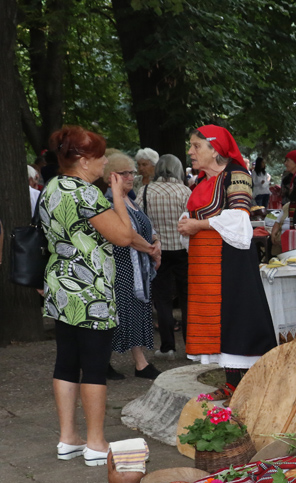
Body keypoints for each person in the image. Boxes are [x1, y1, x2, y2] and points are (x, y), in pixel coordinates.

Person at [40, 126, 135, 466]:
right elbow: (123, 236)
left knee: (66, 361)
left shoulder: (51, 187)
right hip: (91, 289)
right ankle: (96, 443)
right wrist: (119, 197)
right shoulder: (86, 194)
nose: (105, 162)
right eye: (99, 156)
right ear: (82, 160)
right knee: (94, 366)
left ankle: (68, 438)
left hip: (61, 286)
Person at [178, 125, 276, 399]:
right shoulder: (202, 181)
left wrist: (197, 225)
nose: (190, 152)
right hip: (206, 261)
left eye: (196, 146)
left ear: (215, 148)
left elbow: (239, 218)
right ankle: (232, 382)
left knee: (236, 317)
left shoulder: (236, 174)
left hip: (230, 260)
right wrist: (190, 225)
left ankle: (254, 388)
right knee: (219, 322)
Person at [104, 153, 161, 380]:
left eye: (131, 172)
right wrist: (150, 249)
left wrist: (155, 242)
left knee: (132, 312)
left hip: (136, 265)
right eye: (124, 173)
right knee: (122, 314)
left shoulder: (131, 198)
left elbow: (145, 224)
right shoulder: (109, 201)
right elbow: (127, 234)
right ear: (112, 177)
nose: (130, 176)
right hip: (122, 266)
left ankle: (139, 363)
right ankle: (111, 362)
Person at [145, 154, 191, 357]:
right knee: (187, 299)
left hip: (157, 251)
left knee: (162, 300)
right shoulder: (185, 191)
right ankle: (191, 346)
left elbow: (140, 220)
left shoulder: (145, 191)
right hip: (183, 250)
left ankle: (167, 347)